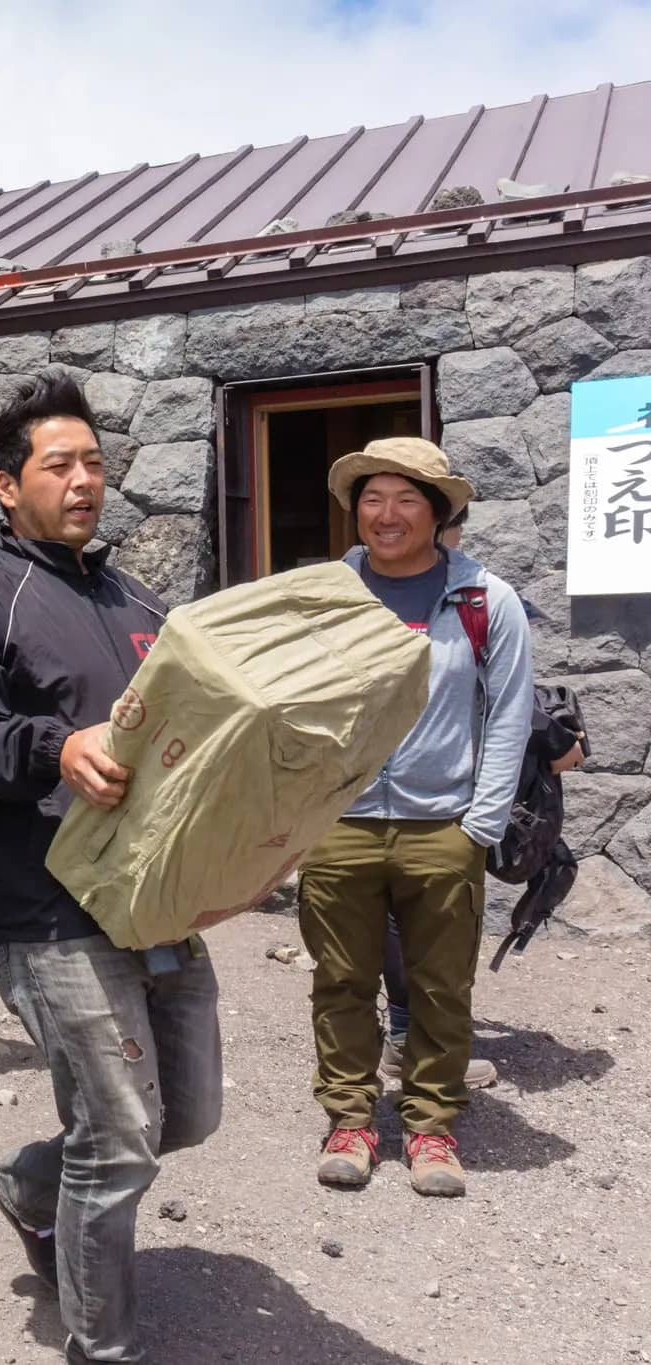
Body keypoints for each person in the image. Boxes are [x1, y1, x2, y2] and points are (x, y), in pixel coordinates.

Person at [0, 370, 222, 1365]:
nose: (84, 480)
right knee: (123, 1133)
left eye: (93, 462)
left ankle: (32, 1185)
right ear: (8, 486)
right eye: (59, 464)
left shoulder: (134, 598)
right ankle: (103, 1345)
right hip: (47, 913)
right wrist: (52, 747)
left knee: (187, 1111)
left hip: (157, 901)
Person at [299, 438, 533, 1198]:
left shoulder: (482, 599)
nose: (386, 514)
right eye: (372, 498)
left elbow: (508, 715)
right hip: (342, 819)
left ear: (439, 513)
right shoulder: (326, 593)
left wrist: (482, 822)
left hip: (443, 824)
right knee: (340, 979)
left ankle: (432, 1125)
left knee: (440, 985)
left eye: (406, 499)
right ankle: (351, 1119)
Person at [375, 506, 583, 1085]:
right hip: (404, 792)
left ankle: (410, 1037)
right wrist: (557, 736)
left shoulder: (474, 593)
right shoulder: (387, 591)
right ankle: (405, 1038)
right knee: (411, 921)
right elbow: (465, 691)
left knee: (413, 921)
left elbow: (502, 688)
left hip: (442, 794)